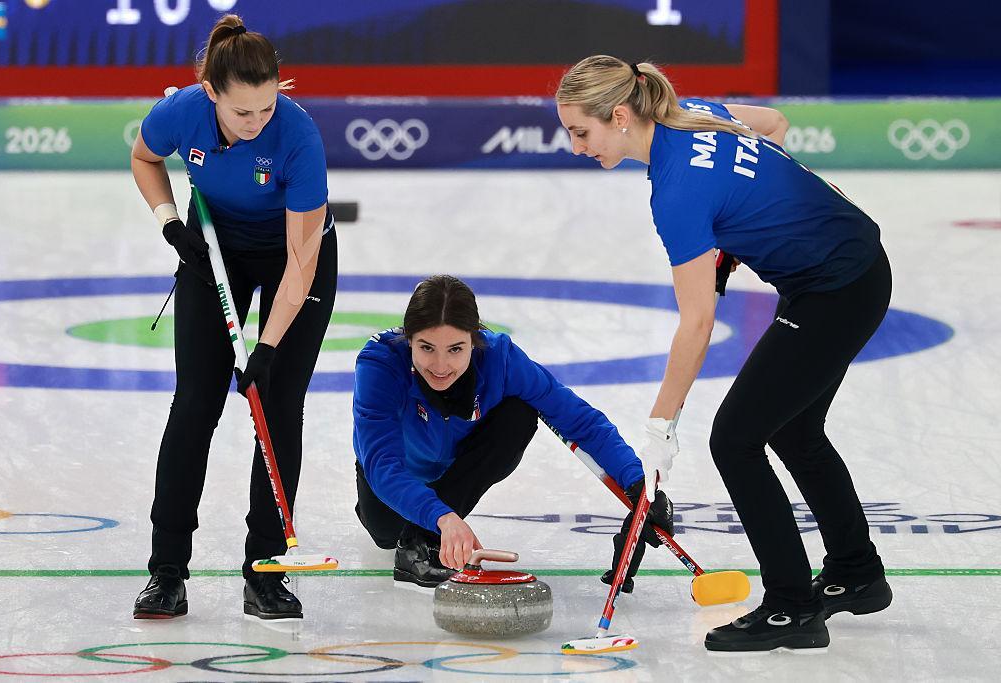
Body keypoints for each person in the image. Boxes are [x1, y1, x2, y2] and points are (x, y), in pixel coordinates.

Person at [555, 55, 893, 652]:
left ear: (619, 115)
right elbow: (774, 124)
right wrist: (743, 232)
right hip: (853, 266)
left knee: (735, 439)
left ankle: (792, 608)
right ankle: (856, 572)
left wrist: (661, 422)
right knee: (793, 430)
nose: (577, 148)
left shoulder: (677, 193)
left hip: (835, 288)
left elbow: (698, 322)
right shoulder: (694, 115)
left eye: (582, 132)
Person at [128, 14, 337, 621]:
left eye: (267, 109)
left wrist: (266, 349)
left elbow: (301, 266)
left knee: (277, 403)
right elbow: (145, 159)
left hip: (291, 258)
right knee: (195, 404)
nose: (256, 124)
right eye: (243, 113)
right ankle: (166, 571)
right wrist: (170, 221)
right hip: (212, 247)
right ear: (212, 94)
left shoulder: (299, 139)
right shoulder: (180, 113)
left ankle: (266, 574)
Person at [352, 274, 674, 589]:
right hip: (393, 482)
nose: (440, 365)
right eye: (426, 348)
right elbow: (382, 464)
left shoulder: (500, 359)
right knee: (386, 533)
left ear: (474, 340)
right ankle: (422, 525)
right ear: (409, 338)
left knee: (519, 414)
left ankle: (423, 539)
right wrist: (443, 517)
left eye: (455, 349)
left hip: (454, 474)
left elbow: (578, 419)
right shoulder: (380, 363)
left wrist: (639, 486)